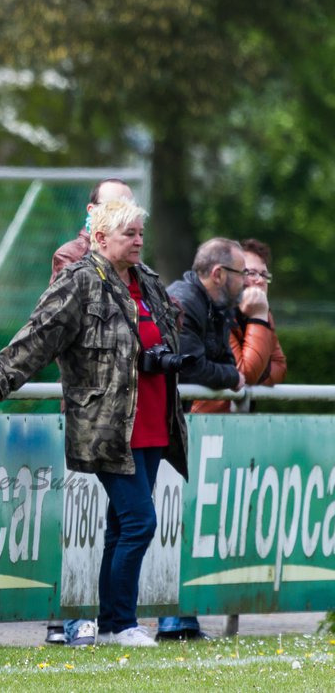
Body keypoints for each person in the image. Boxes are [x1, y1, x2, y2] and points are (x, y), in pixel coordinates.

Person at [0, 200, 187, 649]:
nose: (139, 241)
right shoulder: (80, 280)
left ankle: (109, 623)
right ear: (101, 238)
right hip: (109, 425)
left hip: (153, 420)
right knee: (141, 522)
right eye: (130, 234)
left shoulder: (149, 283)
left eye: (141, 233)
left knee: (123, 526)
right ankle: (123, 623)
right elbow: (39, 335)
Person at [46, 177, 132, 648]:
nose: (125, 219)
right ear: (93, 212)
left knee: (118, 520)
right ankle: (67, 617)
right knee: (78, 518)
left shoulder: (133, 262)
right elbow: (54, 328)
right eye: (113, 207)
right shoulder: (73, 257)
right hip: (87, 409)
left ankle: (102, 615)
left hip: (125, 412)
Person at [158, 237, 248, 640]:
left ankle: (181, 617)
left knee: (185, 523)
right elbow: (191, 369)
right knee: (158, 524)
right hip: (165, 429)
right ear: (218, 274)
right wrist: (230, 378)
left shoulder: (217, 308)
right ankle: (165, 618)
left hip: (184, 429)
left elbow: (227, 362)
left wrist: (228, 373)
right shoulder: (183, 301)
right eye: (242, 273)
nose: (246, 281)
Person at [192, 237, 286, 413]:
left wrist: (259, 317)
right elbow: (245, 372)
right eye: (250, 273)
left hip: (236, 418)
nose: (259, 280)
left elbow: (280, 368)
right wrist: (257, 318)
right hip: (205, 420)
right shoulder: (218, 312)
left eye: (264, 274)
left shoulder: (262, 313)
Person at [52, 178, 135, 278]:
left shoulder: (132, 252)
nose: (124, 213)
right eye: (113, 206)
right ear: (91, 210)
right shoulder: (71, 255)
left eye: (129, 207)